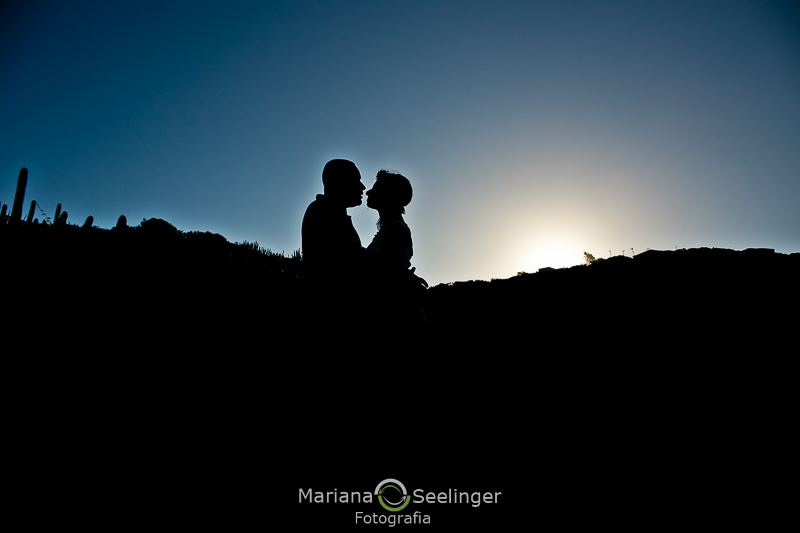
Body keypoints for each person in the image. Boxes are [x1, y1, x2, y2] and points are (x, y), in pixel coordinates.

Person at [300, 159, 367, 331]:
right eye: (356, 180)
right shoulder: (323, 213)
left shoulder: (330, 213)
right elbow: (348, 260)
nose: (362, 187)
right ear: (339, 182)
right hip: (328, 320)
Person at [365, 170, 428, 328]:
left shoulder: (396, 230)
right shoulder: (390, 229)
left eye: (376, 188)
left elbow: (388, 272)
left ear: (389, 195)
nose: (368, 191)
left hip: (392, 314)